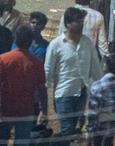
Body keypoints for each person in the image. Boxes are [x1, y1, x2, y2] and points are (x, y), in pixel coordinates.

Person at [44, 7, 102, 139]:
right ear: (67, 24)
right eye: (77, 22)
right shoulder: (56, 45)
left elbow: (95, 67)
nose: (81, 25)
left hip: (81, 94)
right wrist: (46, 92)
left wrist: (100, 86)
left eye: (82, 21)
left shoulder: (87, 44)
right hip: (63, 93)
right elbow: (48, 69)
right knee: (66, 130)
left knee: (71, 130)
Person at [0, 26, 46, 145]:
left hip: (5, 108)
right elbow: (42, 89)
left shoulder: (3, 59)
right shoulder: (37, 63)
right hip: (26, 110)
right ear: (30, 42)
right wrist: (45, 111)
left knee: (0, 140)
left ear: (15, 40)